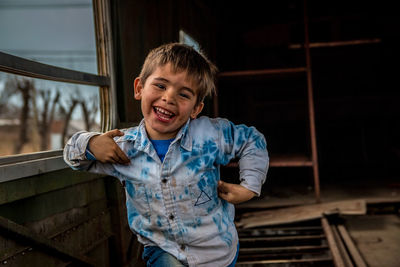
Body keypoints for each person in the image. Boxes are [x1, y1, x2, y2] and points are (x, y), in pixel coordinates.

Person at [64, 43, 269, 267]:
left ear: (195, 109)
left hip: (217, 252)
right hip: (161, 249)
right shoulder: (123, 147)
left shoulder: (210, 136)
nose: (169, 98)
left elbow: (252, 140)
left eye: (183, 94)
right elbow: (73, 156)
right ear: (139, 88)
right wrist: (91, 143)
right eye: (160, 85)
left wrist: (248, 187)